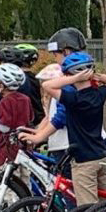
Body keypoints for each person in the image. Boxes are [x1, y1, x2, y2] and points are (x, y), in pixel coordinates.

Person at [40, 52, 106, 205]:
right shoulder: (99, 94)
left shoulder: (73, 99)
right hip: (102, 156)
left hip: (83, 160)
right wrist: (95, 76)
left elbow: (47, 85)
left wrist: (75, 78)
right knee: (104, 206)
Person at [17, 28, 89, 159]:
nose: (56, 61)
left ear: (66, 51)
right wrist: (38, 131)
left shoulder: (70, 81)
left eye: (56, 55)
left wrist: (39, 137)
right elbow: (52, 115)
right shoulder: (84, 79)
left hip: (68, 145)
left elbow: (61, 116)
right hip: (77, 144)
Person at [0, 63, 33, 167]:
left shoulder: (5, 101)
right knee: (24, 177)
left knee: (8, 177)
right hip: (24, 144)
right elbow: (30, 118)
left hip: (10, 147)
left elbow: (5, 128)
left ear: (2, 85)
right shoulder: (25, 99)